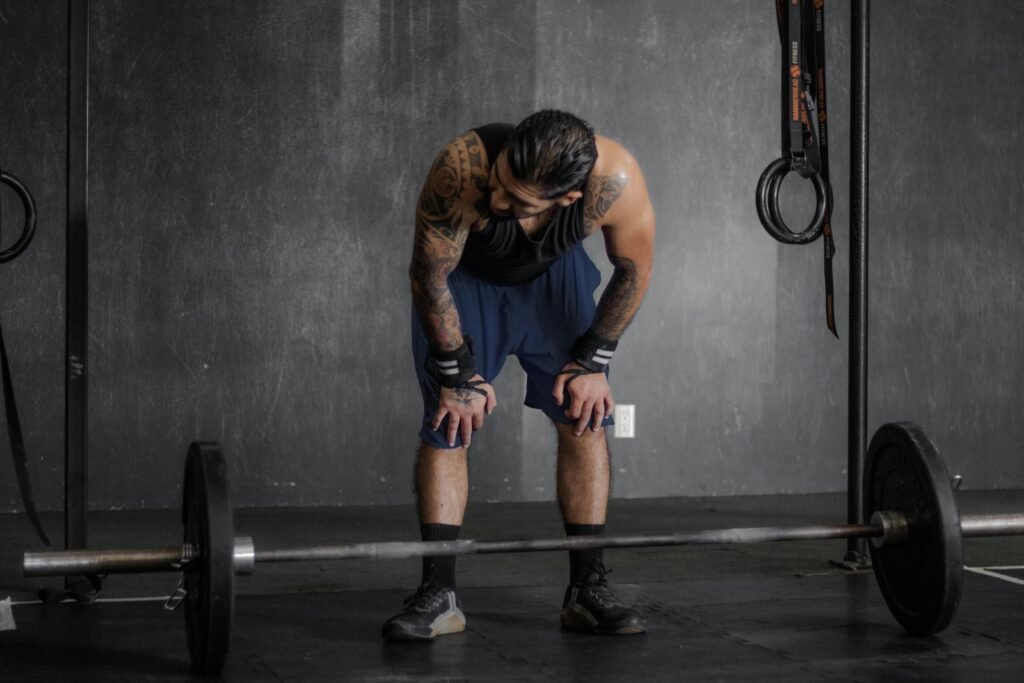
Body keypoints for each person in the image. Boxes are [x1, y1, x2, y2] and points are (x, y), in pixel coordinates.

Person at [383, 110, 656, 640]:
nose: (499, 202)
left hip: (553, 280)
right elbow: (429, 273)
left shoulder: (615, 182)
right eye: (501, 184)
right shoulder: (461, 170)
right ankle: (438, 596)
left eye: (520, 201)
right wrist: (457, 373)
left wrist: (593, 361)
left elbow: (635, 268)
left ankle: (587, 590)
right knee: (449, 421)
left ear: (569, 198)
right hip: (466, 279)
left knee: (586, 418)